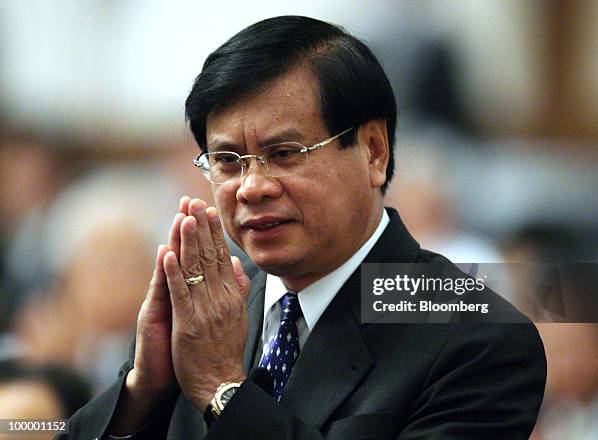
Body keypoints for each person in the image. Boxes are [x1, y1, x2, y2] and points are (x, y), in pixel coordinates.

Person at [62, 16, 546, 439]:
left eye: (284, 154)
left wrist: (223, 392)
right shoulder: (208, 309)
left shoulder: (476, 337)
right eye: (228, 160)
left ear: (374, 151)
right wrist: (142, 390)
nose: (251, 187)